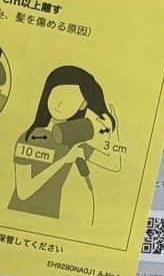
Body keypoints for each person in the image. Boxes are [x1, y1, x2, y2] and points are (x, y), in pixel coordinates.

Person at [7, 66, 121, 222]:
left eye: (70, 98)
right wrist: (64, 160)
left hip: (51, 216)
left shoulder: (73, 141)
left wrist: (113, 130)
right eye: (57, 94)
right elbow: (24, 192)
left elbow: (114, 164)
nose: (59, 104)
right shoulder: (29, 138)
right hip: (17, 215)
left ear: (83, 104)